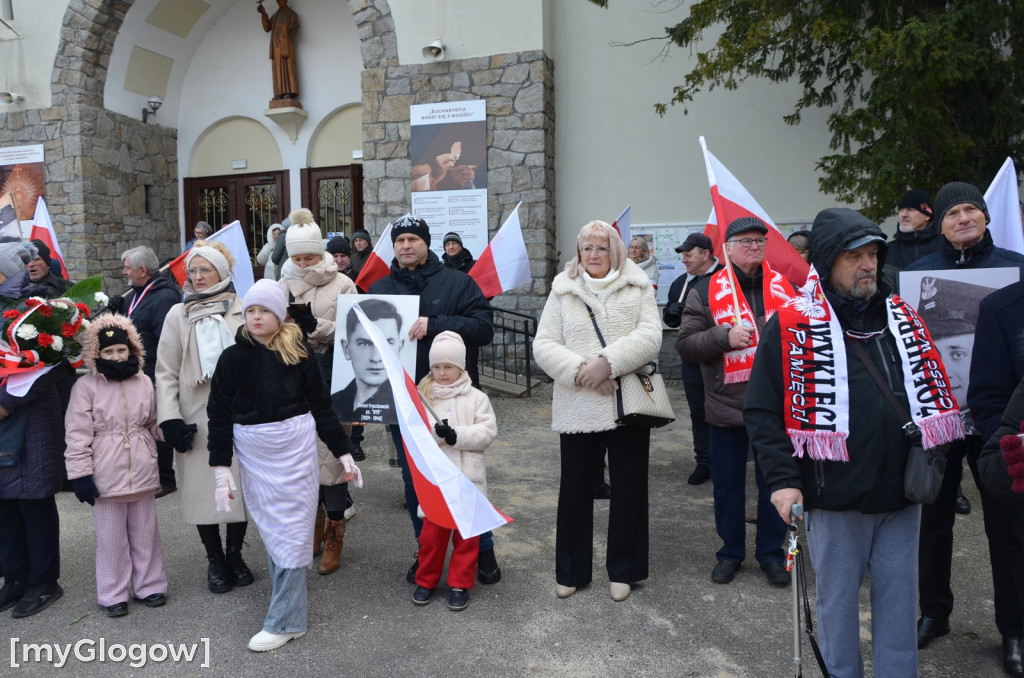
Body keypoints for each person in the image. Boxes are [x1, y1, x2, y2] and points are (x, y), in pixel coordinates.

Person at [746, 206, 964, 678]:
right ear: (827, 264)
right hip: (835, 495)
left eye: (873, 254)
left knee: (900, 605)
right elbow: (763, 413)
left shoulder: (903, 320)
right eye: (854, 257)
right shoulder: (790, 326)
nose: (868, 265)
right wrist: (783, 482)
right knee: (838, 607)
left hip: (902, 494)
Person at [207, 279, 360, 652]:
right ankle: (286, 600)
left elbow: (322, 407)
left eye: (265, 311)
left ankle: (286, 621)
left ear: (281, 315)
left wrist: (343, 453)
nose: (256, 317)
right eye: (251, 311)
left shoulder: (300, 352)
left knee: (292, 532)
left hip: (295, 452)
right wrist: (220, 469)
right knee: (274, 532)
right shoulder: (231, 358)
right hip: (256, 454)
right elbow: (219, 415)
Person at [905, 182, 1024, 657]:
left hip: (1001, 418)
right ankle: (934, 611)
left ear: (986, 217)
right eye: (953, 211)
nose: (963, 218)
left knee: (1009, 524)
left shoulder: (1016, 269)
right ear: (941, 223)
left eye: (971, 208)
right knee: (932, 520)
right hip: (940, 417)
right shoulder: (917, 274)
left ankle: (1014, 628)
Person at [533, 219, 662, 602]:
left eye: (601, 248)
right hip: (578, 407)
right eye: (587, 248)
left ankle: (624, 569)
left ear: (616, 251)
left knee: (629, 489)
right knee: (574, 490)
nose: (593, 255)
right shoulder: (563, 289)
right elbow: (544, 344)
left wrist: (607, 363)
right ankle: (572, 570)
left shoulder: (637, 285)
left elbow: (651, 336)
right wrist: (584, 373)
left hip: (628, 407)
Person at [368, 214, 496, 584]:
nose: (406, 246)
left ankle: (481, 550)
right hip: (406, 405)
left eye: (413, 239)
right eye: (399, 240)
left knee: (464, 480)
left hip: (454, 402)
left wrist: (435, 323)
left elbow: (484, 328)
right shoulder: (380, 287)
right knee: (417, 483)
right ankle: (427, 552)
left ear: (426, 242)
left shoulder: (458, 282)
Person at [676, 216, 792, 587]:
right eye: (745, 241)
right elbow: (685, 345)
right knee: (727, 485)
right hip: (728, 405)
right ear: (726, 249)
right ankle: (730, 553)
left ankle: (771, 554)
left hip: (777, 405)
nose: (754, 247)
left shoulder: (784, 287)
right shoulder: (706, 291)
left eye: (760, 240)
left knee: (774, 484)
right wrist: (724, 336)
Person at [155, 240, 254, 595]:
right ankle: (214, 560)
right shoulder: (177, 315)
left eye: (204, 270)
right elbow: (165, 371)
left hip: (240, 416)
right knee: (202, 492)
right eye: (192, 271)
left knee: (238, 489)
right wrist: (169, 419)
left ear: (223, 273)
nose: (196, 277)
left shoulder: (243, 309)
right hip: (195, 418)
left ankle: (235, 554)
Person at [64, 314, 168, 617]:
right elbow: (77, 433)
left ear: (132, 349)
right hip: (105, 472)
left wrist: (172, 431)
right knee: (111, 539)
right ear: (97, 354)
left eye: (121, 350)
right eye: (108, 352)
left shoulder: (144, 381)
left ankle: (150, 585)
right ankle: (113, 592)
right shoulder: (86, 386)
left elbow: (152, 422)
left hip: (142, 468)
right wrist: (81, 473)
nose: (116, 356)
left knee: (146, 533)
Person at [278, 208, 357, 575]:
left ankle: (336, 531)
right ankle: (316, 522)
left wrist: (314, 325)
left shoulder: (342, 283)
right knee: (301, 458)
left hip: (330, 375)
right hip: (291, 376)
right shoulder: (281, 282)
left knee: (332, 454)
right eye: (298, 257)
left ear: (321, 253)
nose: (304, 262)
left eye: (310, 256)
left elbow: (354, 332)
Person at [412, 331, 497, 611]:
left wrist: (454, 435)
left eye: (448, 366)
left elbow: (487, 432)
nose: (441, 372)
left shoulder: (477, 398)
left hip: (468, 480)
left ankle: (460, 583)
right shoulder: (424, 397)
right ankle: (426, 581)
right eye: (436, 367)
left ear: (461, 366)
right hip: (438, 482)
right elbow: (418, 434)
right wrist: (437, 435)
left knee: (467, 540)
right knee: (431, 539)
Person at [969, 281, 1024, 677]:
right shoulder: (1002, 306)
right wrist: (1008, 448)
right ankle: (1015, 633)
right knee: (1011, 547)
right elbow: (987, 396)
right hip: (1016, 459)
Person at [0, 356, 76, 618]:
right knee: (4, 507)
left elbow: (51, 364)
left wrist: (7, 401)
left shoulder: (38, 316)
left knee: (34, 502)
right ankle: (15, 578)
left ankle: (44, 581)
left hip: (33, 420)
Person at [107, 246, 182, 498]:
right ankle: (149, 475)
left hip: (153, 372)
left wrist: (161, 376)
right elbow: (128, 329)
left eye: (127, 267)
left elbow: (166, 340)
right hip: (133, 372)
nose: (123, 272)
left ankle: (166, 479)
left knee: (156, 425)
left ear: (141, 270)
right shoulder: (134, 294)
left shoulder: (163, 297)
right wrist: (116, 312)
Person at [663, 232, 722, 486]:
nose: (684, 260)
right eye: (683, 255)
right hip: (691, 360)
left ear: (705, 254)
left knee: (725, 411)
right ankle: (705, 462)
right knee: (698, 411)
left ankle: (726, 461)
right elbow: (669, 320)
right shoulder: (680, 283)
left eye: (689, 254)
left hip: (722, 358)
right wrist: (670, 314)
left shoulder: (725, 279)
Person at [334, 299, 400, 425]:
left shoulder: (407, 406)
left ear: (400, 347)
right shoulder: (334, 403)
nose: (376, 358)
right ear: (346, 348)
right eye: (364, 343)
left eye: (386, 344)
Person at [886, 189, 939, 271]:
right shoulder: (887, 251)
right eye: (901, 210)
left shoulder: (945, 246)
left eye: (910, 209)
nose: (903, 214)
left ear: (927, 215)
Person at [258, 0, 300, 100]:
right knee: (277, 69)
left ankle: (289, 92)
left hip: (286, 44)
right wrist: (264, 13)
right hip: (276, 46)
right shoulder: (276, 15)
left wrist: (292, 28)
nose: (280, 2)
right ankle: (278, 93)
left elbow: (295, 25)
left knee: (287, 67)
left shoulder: (291, 13)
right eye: (278, 0)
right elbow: (267, 27)